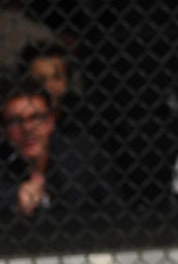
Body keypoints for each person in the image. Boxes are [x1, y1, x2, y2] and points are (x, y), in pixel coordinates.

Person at [1, 76, 119, 218]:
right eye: (15, 121)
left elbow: (116, 211)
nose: (27, 129)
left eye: (35, 117)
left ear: (51, 121)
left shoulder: (83, 155)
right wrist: (14, 204)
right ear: (4, 129)